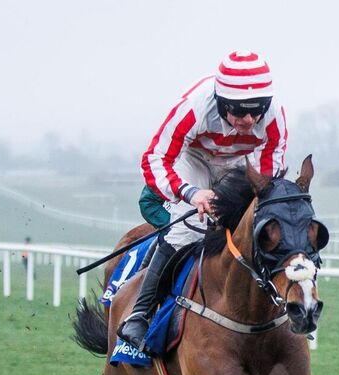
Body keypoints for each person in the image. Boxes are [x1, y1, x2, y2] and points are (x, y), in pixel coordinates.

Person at [118, 51, 288, 350]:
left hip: (239, 163)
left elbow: (268, 172)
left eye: (257, 110)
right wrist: (190, 193)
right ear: (221, 102)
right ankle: (139, 313)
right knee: (189, 229)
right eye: (240, 111)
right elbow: (155, 158)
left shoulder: (274, 117)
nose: (249, 120)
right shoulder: (194, 108)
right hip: (194, 158)